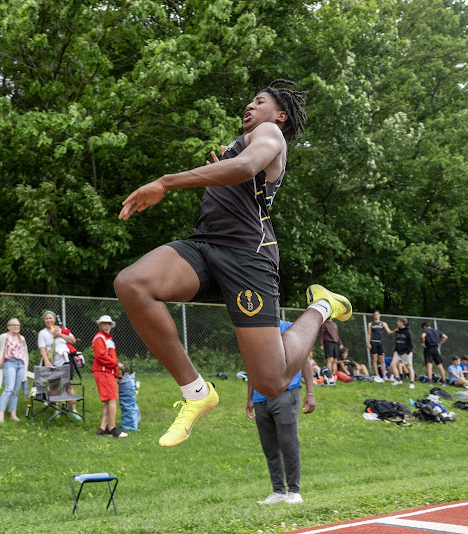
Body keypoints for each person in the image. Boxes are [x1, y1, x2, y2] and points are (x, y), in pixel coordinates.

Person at [114, 79, 352, 447]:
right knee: (133, 283)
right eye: (250, 101)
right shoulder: (239, 147)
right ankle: (196, 393)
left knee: (270, 382)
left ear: (280, 115)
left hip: (247, 257)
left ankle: (322, 306)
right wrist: (224, 171)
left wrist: (166, 182)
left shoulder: (270, 133)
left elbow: (246, 167)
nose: (250, 106)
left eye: (260, 101)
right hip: (206, 246)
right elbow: (240, 172)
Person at [247, 320, 314, 505]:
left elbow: (304, 361)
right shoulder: (252, 331)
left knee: (288, 443)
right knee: (269, 447)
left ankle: (294, 491)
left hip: (286, 392)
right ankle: (278, 491)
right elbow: (252, 367)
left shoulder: (291, 328)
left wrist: (310, 393)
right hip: (261, 398)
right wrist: (250, 399)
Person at [38, 310, 81, 418]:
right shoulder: (42, 333)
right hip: (52, 362)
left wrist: (60, 334)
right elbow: (42, 349)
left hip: (65, 360)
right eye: (47, 318)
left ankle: (73, 410)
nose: (49, 320)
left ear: (54, 319)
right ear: (44, 320)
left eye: (51, 318)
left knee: (68, 384)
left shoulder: (62, 329)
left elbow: (73, 340)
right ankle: (56, 410)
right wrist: (46, 361)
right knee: (54, 385)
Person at [92, 315, 128, 438]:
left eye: (109, 324)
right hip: (103, 372)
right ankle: (112, 428)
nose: (107, 326)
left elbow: (110, 358)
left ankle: (102, 429)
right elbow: (101, 356)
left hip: (107, 372)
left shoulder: (108, 338)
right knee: (112, 398)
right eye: (104, 323)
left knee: (109, 399)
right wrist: (117, 364)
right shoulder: (99, 338)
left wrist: (116, 374)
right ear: (100, 325)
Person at [0, 318, 30, 423]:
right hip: (9, 364)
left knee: (15, 390)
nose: (16, 327)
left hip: (20, 364)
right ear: (9, 327)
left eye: (18, 325)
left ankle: (13, 414)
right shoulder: (4, 337)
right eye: (13, 325)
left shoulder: (22, 338)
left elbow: (24, 353)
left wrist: (24, 365)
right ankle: (0, 413)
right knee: (9, 389)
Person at [366, 310, 395, 382]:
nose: (376, 316)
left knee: (382, 360)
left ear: (380, 315)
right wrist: (368, 343)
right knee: (374, 359)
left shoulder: (383, 323)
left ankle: (384, 376)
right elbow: (369, 334)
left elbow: (389, 332)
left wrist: (396, 330)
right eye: (375, 314)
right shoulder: (370, 324)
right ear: (373, 316)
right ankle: (377, 375)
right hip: (373, 342)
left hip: (380, 342)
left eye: (377, 314)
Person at [388, 317, 415, 389]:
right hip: (398, 352)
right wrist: (396, 350)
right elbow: (397, 341)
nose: (397, 323)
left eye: (398, 322)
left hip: (406, 352)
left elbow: (411, 343)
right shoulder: (398, 331)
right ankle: (398, 380)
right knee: (393, 364)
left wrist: (407, 351)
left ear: (402, 323)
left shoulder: (408, 332)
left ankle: (412, 383)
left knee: (409, 367)